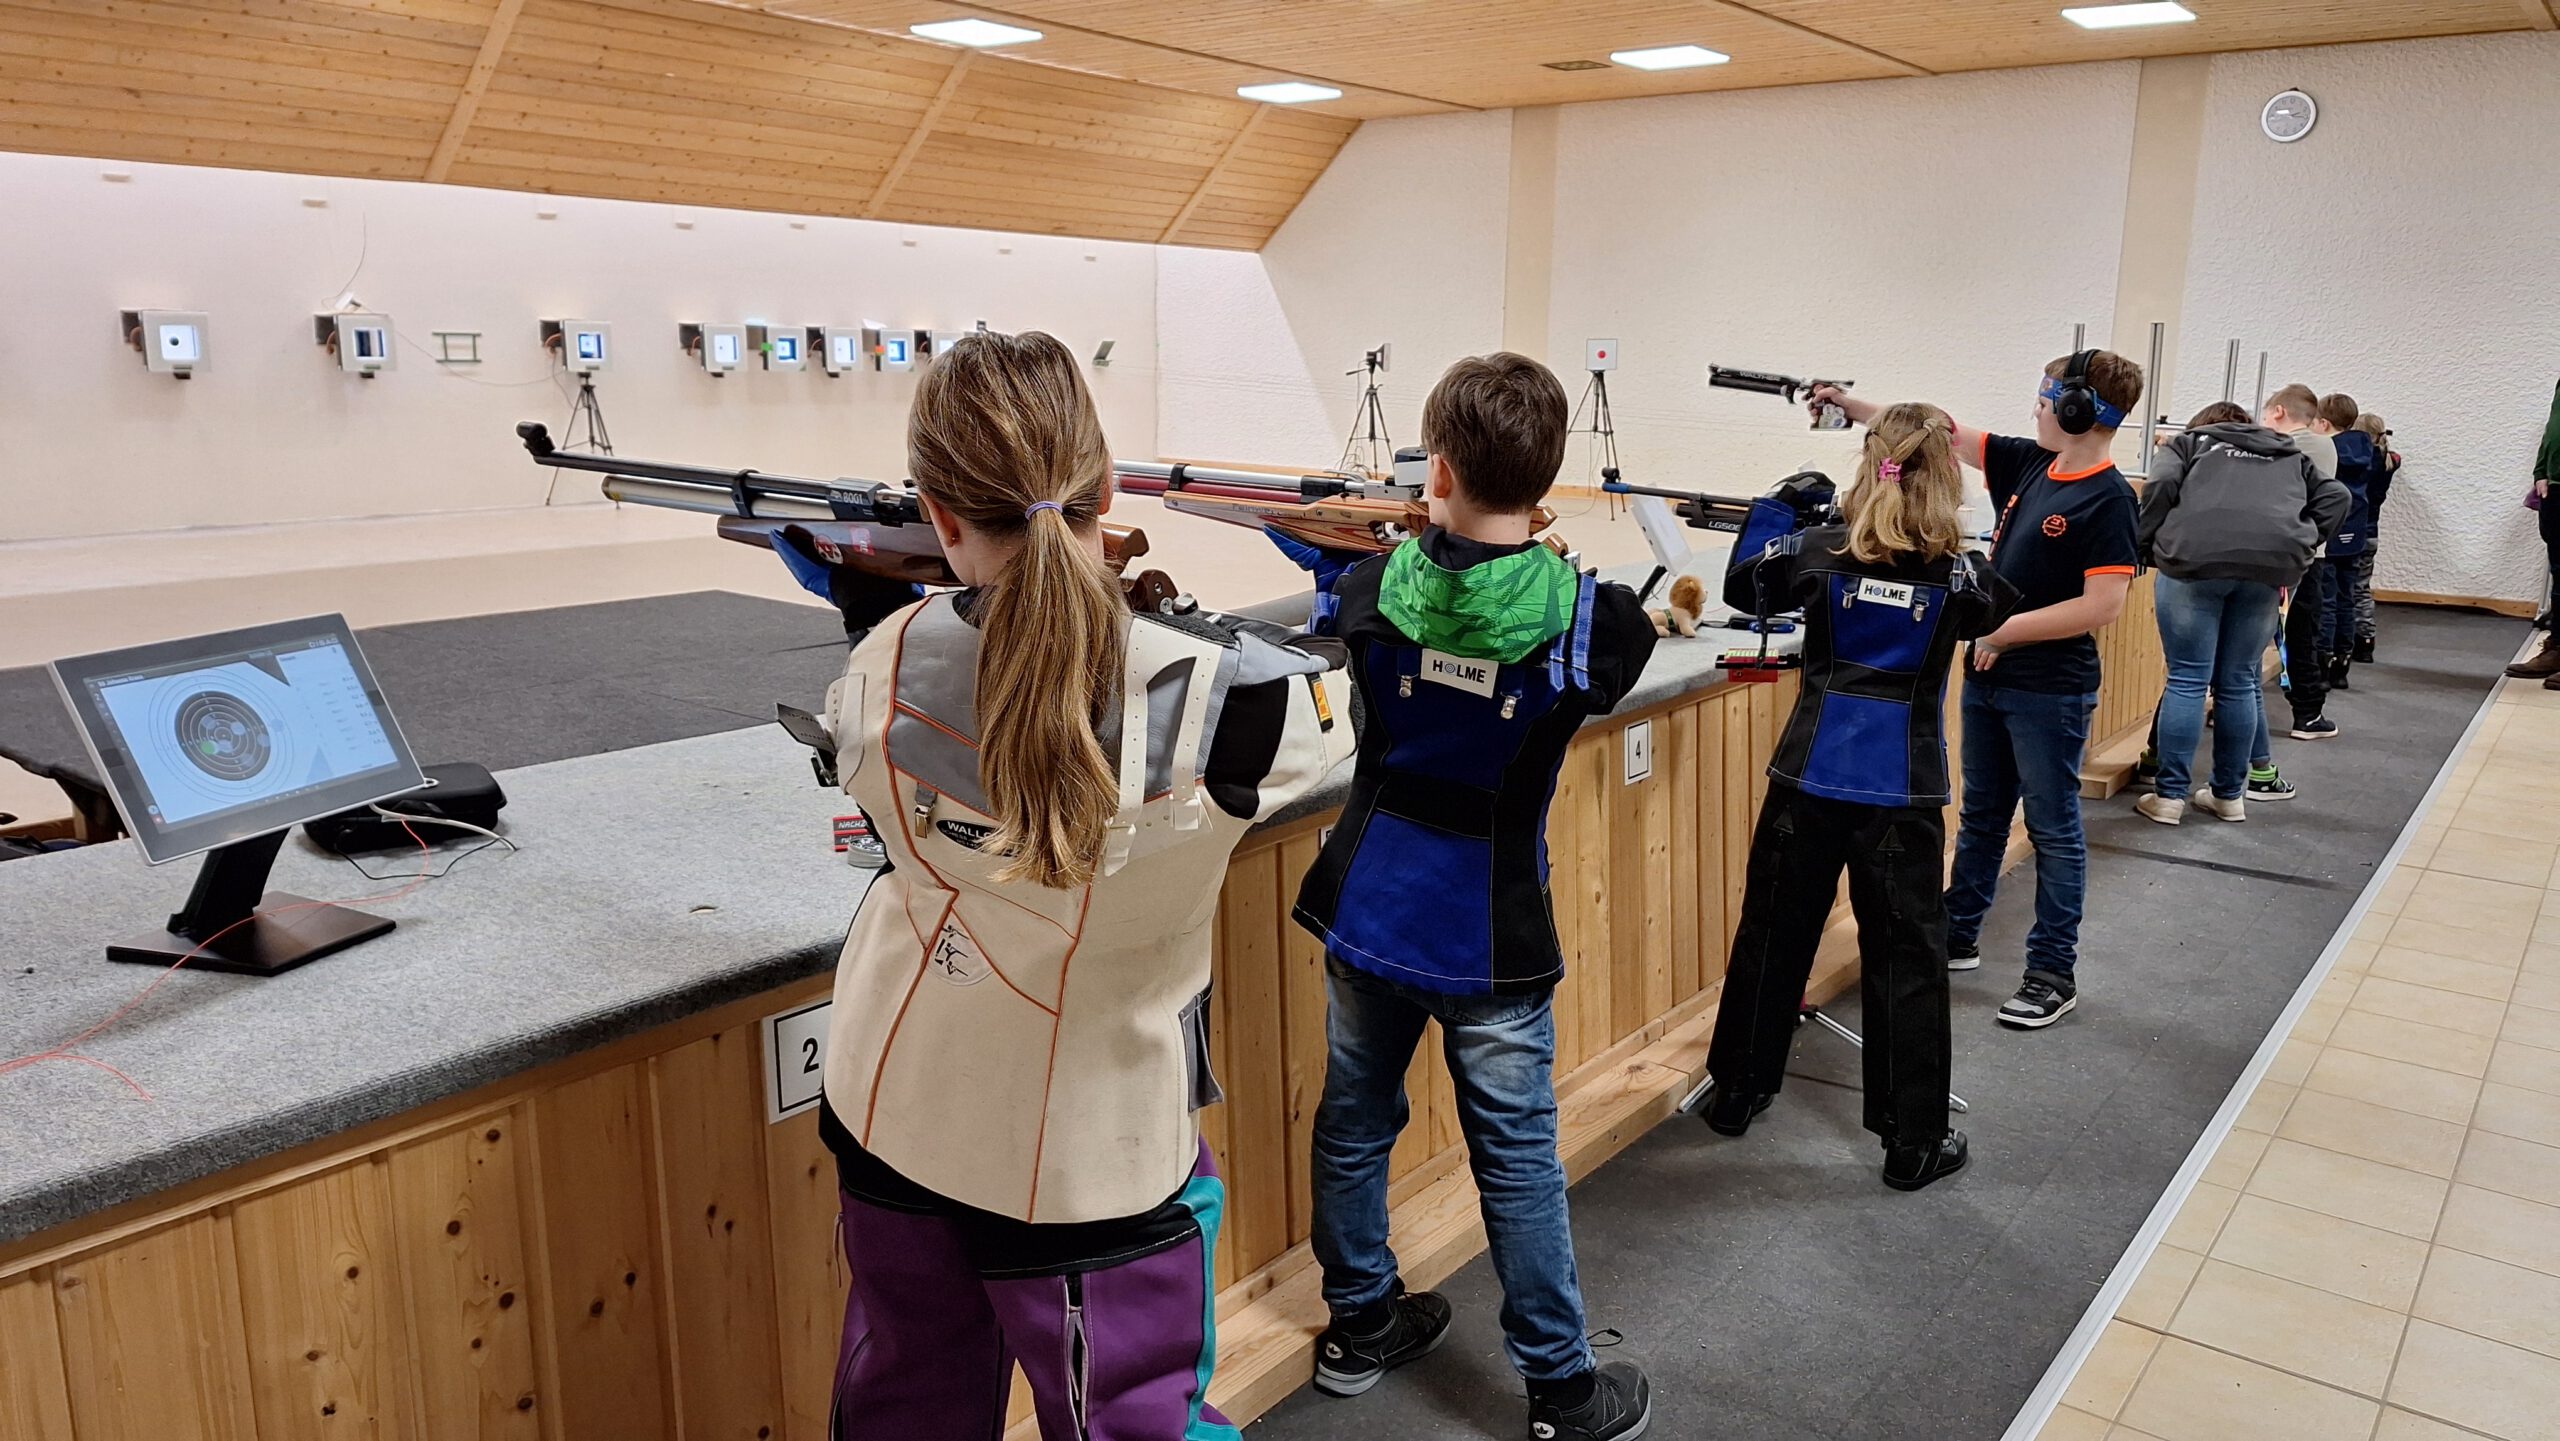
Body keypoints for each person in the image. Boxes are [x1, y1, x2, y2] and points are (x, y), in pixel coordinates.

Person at [813, 331, 1357, 1441]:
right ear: (1107, 490)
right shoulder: (1239, 700)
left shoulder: (879, 661)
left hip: (892, 1106)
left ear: (937, 514)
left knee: (903, 1408)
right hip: (1090, 1154)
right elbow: (1336, 708)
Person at [1291, 353, 1658, 1441]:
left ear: (1437, 470)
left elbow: (1382, 608)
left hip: (1372, 900)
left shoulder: (1372, 589)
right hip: (1487, 927)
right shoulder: (1594, 621)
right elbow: (1584, 646)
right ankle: (1560, 1390)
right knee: (1517, 1156)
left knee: (1354, 1121)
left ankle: (1360, 1321)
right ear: (1544, 480)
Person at [1697, 404, 2016, 1189]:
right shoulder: (1961, 574)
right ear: (1945, 478)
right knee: (1908, 959)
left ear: (1869, 465)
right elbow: (1999, 603)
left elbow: (1742, 581)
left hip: (1808, 775)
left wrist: (1781, 506)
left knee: (1772, 934)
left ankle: (1736, 1092)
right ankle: (1913, 1143)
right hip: (1901, 788)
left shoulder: (1817, 552)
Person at [1822, 351, 2141, 1031]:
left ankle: (2052, 972)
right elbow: (1937, 429)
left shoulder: (2110, 497)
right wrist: (1853, 407)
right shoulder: (2032, 463)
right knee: (1983, 817)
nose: (2036, 409)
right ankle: (1958, 933)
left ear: (2080, 410)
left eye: (2046, 400)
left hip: (2049, 690)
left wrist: (2000, 632)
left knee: (2054, 829)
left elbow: (2102, 605)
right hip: (1993, 679)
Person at [2133, 400, 2347, 825]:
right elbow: (2337, 496)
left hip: (2193, 562)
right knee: (2238, 681)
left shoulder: (2188, 444)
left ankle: (2169, 798)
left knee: (2188, 679)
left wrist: (2145, 543)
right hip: (2267, 569)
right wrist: (2303, 542)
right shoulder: (2288, 453)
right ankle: (2229, 796)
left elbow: (2160, 487)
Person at [2261, 385, 2340, 739]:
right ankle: (2307, 713)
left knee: (2290, 635)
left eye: (2266, 416)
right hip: (2303, 556)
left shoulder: (2293, 445)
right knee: (2298, 634)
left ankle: (2305, 712)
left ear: (2278, 412)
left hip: (2287, 557)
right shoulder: (2320, 446)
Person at [2314, 394, 2377, 692]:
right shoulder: (2367, 448)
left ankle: (2323, 663)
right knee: (2346, 599)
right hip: (2357, 531)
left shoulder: (2328, 450)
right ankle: (2342, 665)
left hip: (2332, 532)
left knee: (2326, 600)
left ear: (2324, 423)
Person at [2512, 379, 2560, 675]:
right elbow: (2552, 429)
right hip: (2554, 486)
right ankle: (2556, 649)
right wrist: (2540, 470)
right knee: (2559, 572)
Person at [2353, 412, 2398, 663]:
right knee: (2362, 588)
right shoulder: (2389, 460)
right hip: (2372, 532)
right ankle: (2366, 640)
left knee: (2345, 589)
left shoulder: (2359, 461)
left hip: (2354, 530)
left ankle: (2348, 639)